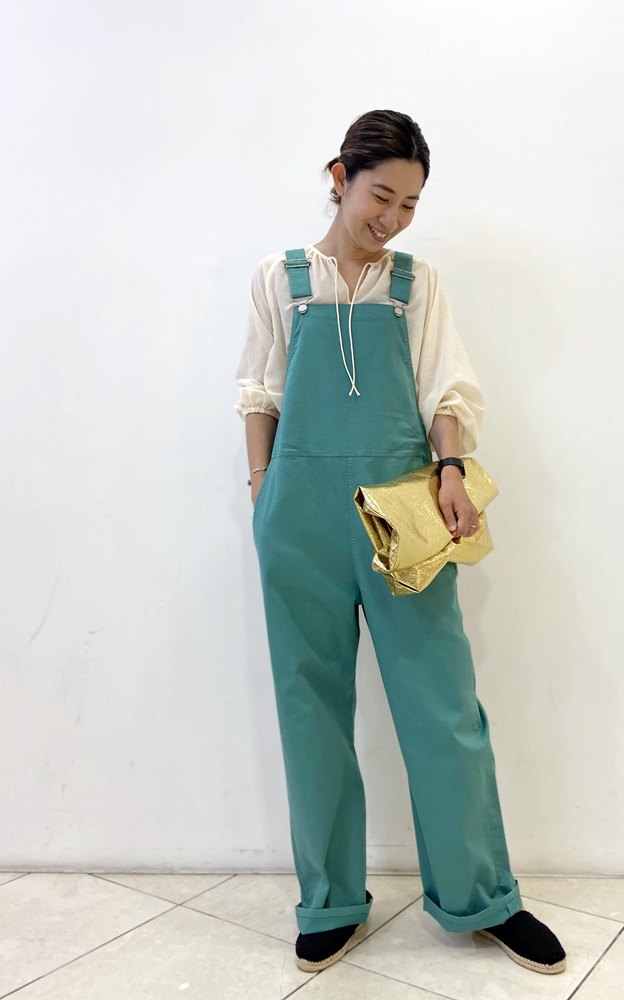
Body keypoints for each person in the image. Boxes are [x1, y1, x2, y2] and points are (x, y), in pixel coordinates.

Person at [234, 110, 566, 976]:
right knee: (309, 705)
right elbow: (259, 391)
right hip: (298, 514)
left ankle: (482, 897)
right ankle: (331, 901)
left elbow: (445, 387)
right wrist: (263, 491)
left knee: (442, 703)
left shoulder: (415, 285)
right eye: (381, 195)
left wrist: (451, 467)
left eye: (411, 203)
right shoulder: (281, 279)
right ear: (339, 177)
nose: (393, 218)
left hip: (402, 509)